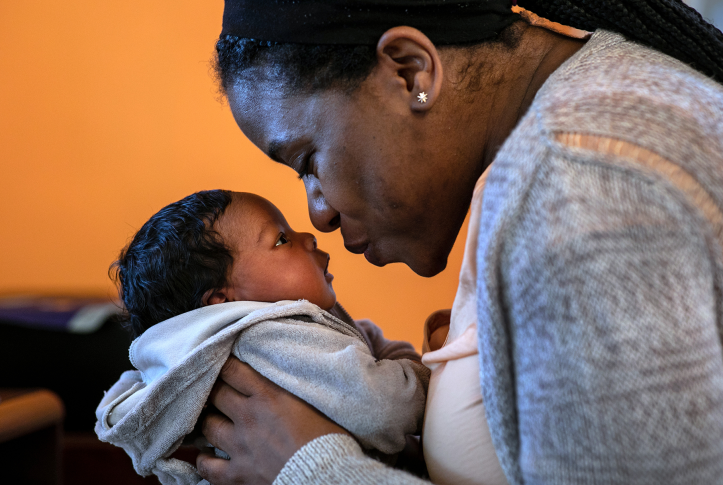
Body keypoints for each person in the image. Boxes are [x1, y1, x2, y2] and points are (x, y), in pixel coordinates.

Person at [196, 1, 723, 484]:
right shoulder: (588, 115)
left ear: (409, 72)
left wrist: (312, 470)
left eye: (307, 161)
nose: (319, 212)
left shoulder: (574, 181)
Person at [94, 190, 429, 484]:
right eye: (281, 239)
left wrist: (396, 358)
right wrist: (426, 371)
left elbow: (366, 343)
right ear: (222, 299)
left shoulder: (296, 328)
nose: (308, 237)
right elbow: (385, 408)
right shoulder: (268, 339)